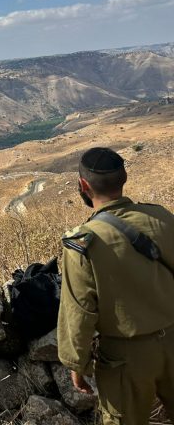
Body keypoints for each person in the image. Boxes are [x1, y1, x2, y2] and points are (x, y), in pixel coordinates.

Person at [58, 147, 174, 424]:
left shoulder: (84, 243)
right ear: (124, 178)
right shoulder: (163, 218)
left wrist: (76, 363)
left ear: (83, 185)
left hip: (126, 357)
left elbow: (79, 310)